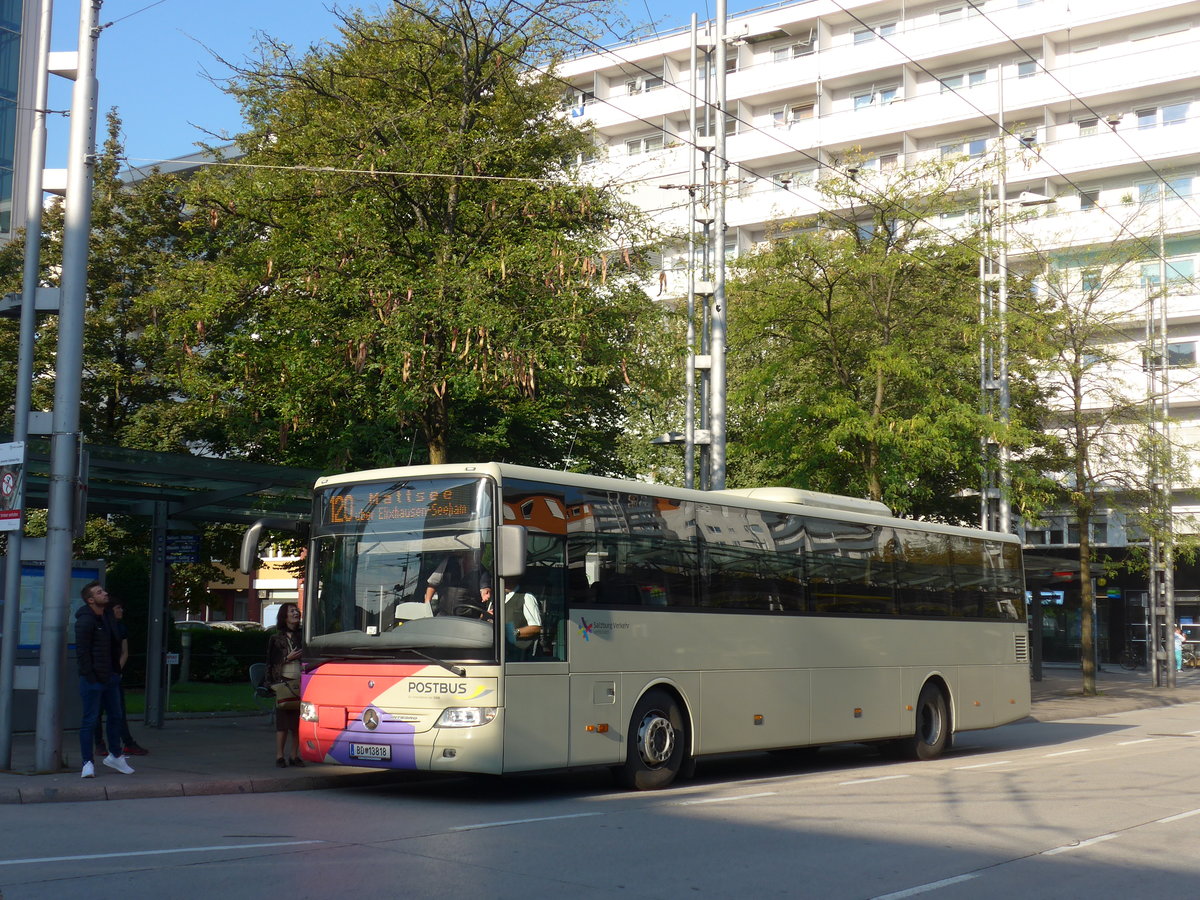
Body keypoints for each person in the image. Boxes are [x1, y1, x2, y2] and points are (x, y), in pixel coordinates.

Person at [75, 581, 135, 778]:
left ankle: (115, 755)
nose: (105, 594)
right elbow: (83, 652)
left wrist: (115, 672)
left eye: (104, 591)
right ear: (90, 600)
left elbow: (115, 646)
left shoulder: (108, 617)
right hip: (93, 678)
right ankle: (87, 762)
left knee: (116, 716)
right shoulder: (85, 620)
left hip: (110, 677)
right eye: (99, 592)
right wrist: (91, 676)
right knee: (90, 720)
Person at [95, 600, 148, 757]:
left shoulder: (120, 627)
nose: (121, 610)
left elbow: (125, 651)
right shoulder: (101, 626)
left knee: (117, 710)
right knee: (97, 711)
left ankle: (125, 742)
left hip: (113, 674)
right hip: (103, 673)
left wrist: (116, 669)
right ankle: (101, 743)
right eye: (118, 608)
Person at [267, 602, 304, 768]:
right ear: (285, 616)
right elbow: (271, 662)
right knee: (283, 722)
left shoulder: (303, 636)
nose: (296, 613)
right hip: (284, 682)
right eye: (292, 611)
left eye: (296, 610)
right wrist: (287, 658)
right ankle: (279, 756)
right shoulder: (276, 638)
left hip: (301, 681)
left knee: (298, 723)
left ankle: (294, 755)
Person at [423, 551, 490, 617]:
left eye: (480, 552)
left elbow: (485, 587)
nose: (476, 555)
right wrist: (426, 606)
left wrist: (485, 592)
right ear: (466, 552)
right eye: (474, 552)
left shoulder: (483, 572)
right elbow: (433, 583)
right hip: (443, 616)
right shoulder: (449, 562)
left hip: (468, 620)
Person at [503, 583, 542, 659]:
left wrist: (513, 633)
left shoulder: (526, 596)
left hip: (519, 657)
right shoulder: (495, 597)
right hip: (496, 654)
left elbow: (536, 628)